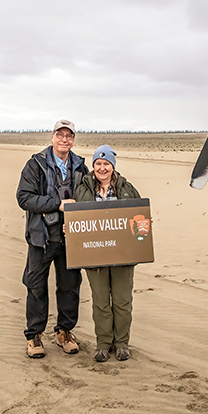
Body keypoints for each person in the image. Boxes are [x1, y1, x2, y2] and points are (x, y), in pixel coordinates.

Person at [16, 119, 89, 359]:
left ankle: (64, 332)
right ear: (52, 137)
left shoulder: (80, 166)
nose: (65, 139)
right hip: (41, 236)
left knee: (70, 286)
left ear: (73, 140)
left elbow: (88, 197)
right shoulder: (35, 164)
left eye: (69, 136)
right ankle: (34, 335)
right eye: (61, 135)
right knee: (36, 285)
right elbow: (24, 198)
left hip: (71, 238)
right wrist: (57, 204)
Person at [74, 145, 141, 362]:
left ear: (113, 166)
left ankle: (122, 343)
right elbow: (76, 221)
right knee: (101, 301)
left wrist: (143, 227)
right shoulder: (82, 190)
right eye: (98, 164)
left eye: (106, 164)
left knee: (122, 301)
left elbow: (138, 218)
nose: (102, 168)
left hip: (122, 256)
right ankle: (103, 344)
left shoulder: (127, 189)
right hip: (94, 256)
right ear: (93, 166)